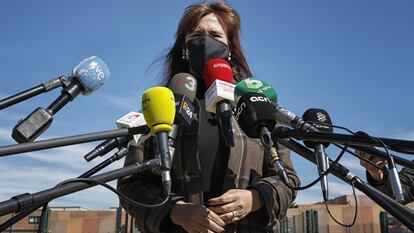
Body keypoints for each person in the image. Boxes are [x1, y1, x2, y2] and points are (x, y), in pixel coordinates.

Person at [117, 2, 300, 232]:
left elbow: (288, 180)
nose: (205, 41)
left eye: (215, 35)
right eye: (196, 35)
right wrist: (175, 211)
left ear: (230, 48)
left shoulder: (257, 104)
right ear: (184, 47)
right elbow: (130, 184)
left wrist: (255, 198)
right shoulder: (161, 105)